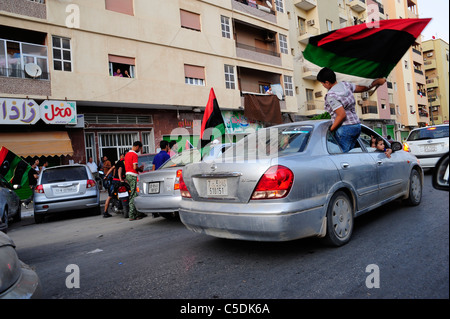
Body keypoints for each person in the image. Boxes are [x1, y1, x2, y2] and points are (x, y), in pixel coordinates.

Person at [317, 67, 386, 153]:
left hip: (345, 128)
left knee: (341, 157)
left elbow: (341, 115)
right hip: (356, 126)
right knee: (351, 155)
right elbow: (363, 88)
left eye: (322, 83)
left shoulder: (331, 95)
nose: (323, 86)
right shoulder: (345, 85)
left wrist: (330, 130)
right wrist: (376, 82)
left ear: (327, 82)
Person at [125, 141, 145, 221]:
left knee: (134, 194)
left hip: (128, 175)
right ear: (137, 146)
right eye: (140, 148)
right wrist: (140, 169)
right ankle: (132, 215)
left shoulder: (127, 154)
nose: (140, 150)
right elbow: (134, 167)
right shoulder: (134, 154)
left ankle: (137, 213)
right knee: (134, 195)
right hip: (133, 175)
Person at [103, 153, 126, 218]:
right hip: (118, 181)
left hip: (115, 181)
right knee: (111, 196)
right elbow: (119, 170)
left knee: (110, 196)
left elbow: (112, 168)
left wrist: (106, 176)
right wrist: (121, 179)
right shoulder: (122, 162)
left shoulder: (118, 162)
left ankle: (105, 212)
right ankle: (105, 212)